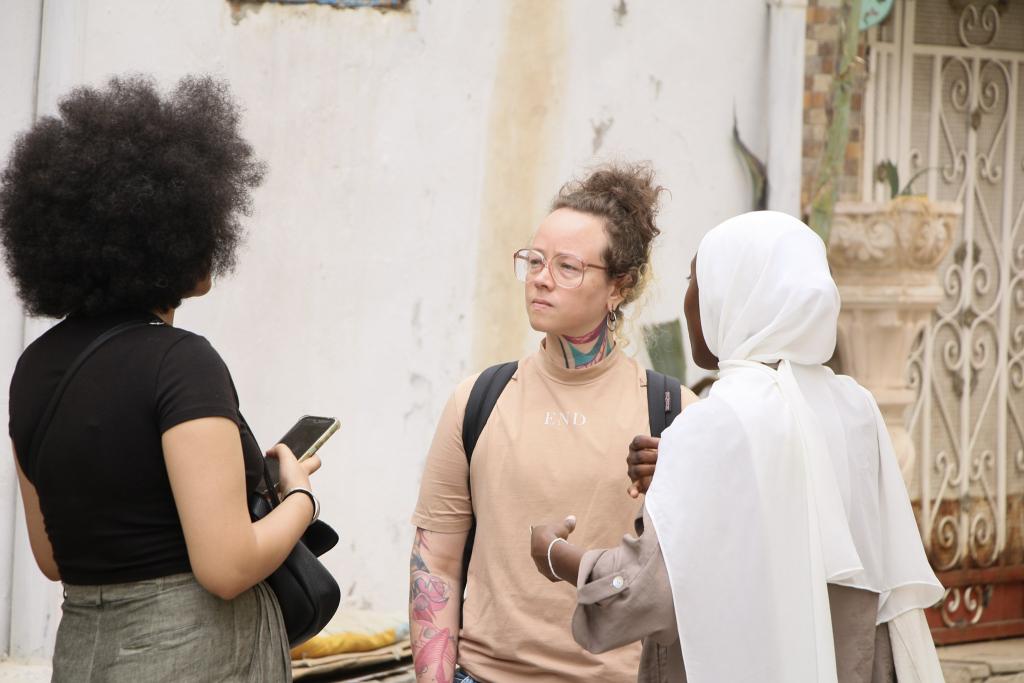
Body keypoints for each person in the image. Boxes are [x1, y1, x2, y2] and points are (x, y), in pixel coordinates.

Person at [529, 211, 945, 682]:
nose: (687, 299)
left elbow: (643, 590)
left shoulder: (716, 422)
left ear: (735, 295)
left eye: (695, 279)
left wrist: (553, 552)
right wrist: (684, 471)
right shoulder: (855, 408)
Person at [3, 75, 320, 682]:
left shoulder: (32, 369)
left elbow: (51, 557)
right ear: (162, 233)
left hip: (82, 653)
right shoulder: (181, 361)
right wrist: (301, 497)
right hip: (196, 657)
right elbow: (226, 566)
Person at [409, 163, 697, 683]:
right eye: (535, 260)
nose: (541, 278)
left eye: (568, 267)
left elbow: (699, 574)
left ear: (617, 287)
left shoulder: (674, 415)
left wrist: (681, 480)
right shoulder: (477, 401)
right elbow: (438, 565)